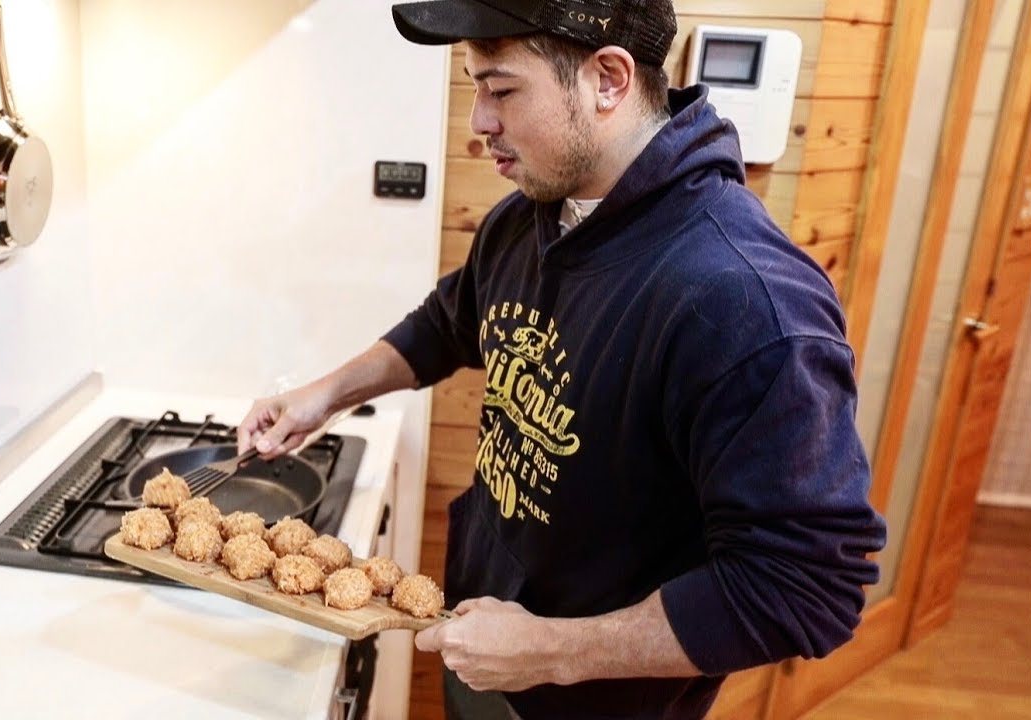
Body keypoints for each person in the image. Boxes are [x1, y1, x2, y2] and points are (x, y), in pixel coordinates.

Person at [236, 0, 887, 717]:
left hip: (596, 699)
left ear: (607, 79)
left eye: (503, 90)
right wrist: (322, 395)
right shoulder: (532, 212)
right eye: (475, 87)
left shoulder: (745, 303)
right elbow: (452, 322)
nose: (479, 122)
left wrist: (552, 650)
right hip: (485, 638)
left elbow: (807, 588)